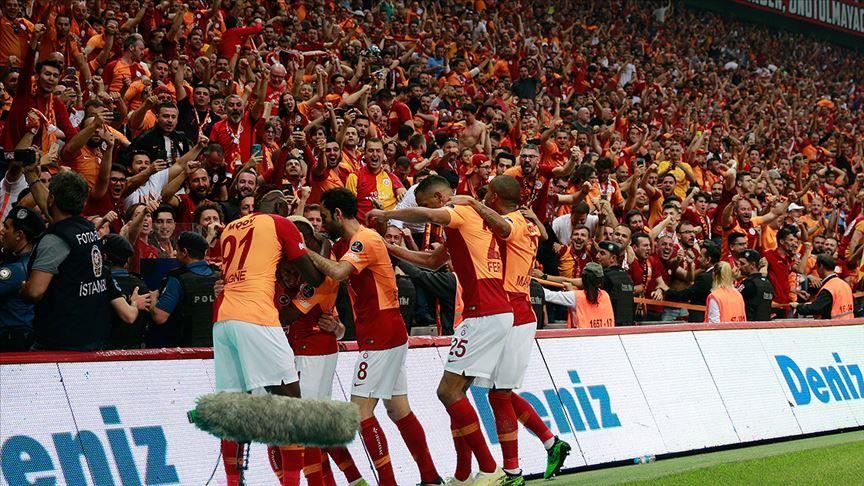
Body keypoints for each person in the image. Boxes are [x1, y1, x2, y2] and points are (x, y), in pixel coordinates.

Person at [369, 175, 514, 485]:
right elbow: (433, 261)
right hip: (491, 311)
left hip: (484, 312)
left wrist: (387, 214)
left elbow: (425, 215)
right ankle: (464, 475)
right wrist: (389, 248)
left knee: (448, 392)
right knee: (456, 394)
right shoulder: (465, 223)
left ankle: (491, 469)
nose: (427, 217)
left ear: (438, 199)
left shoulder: (458, 210)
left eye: (426, 204)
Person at [305, 188, 441, 486]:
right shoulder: (351, 241)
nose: (323, 223)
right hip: (386, 329)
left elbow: (338, 272)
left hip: (380, 332)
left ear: (338, 214)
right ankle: (431, 477)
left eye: (325, 217)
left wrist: (301, 249)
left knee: (360, 413)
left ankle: (388, 482)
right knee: (398, 409)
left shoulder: (364, 239)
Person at [447, 176, 571, 483]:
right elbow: (538, 233)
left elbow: (504, 227)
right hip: (512, 308)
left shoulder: (512, 221)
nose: (484, 198)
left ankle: (512, 471)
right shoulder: (527, 222)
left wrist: (472, 204)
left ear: (494, 196)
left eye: (487, 194)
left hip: (510, 309)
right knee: (496, 392)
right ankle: (550, 443)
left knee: (497, 394)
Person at [212, 188, 324, 486]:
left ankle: (233, 482)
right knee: (291, 403)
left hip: (223, 319)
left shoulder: (230, 227)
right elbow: (314, 277)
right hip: (257, 316)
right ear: (280, 206)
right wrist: (314, 249)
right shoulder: (279, 222)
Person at [276, 215, 367, 486]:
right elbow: (337, 327)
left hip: (309, 354)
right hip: (310, 352)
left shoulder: (316, 278)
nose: (289, 275)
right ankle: (355, 480)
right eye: (285, 271)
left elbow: (287, 316)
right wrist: (337, 327)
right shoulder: (287, 275)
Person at [21, 171, 150, 350]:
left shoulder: (56, 239)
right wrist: (134, 303)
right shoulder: (89, 231)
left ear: (52, 200)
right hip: (92, 342)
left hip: (58, 344)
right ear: (83, 202)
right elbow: (128, 315)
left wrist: (25, 289)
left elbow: (35, 292)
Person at [151, 232, 220, 346]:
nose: (175, 253)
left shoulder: (178, 278)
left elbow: (159, 317)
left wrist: (153, 298)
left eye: (177, 250)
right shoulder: (220, 275)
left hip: (188, 350)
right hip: (219, 347)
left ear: (184, 252)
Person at [0, 206, 43, 351]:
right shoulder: (33, 261)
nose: (2, 231)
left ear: (19, 235)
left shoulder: (15, 271)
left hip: (11, 341)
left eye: (7, 227)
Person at [102, 233, 150, 349]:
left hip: (103, 351)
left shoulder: (98, 284)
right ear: (127, 260)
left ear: (104, 257)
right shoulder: (141, 285)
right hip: (136, 351)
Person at [659, 241, 721, 322]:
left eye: (700, 257)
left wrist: (666, 289)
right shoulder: (720, 274)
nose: (698, 259)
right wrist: (690, 264)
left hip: (701, 319)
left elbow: (684, 295)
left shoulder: (704, 278)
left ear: (708, 259)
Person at [543, 263, 615, 329]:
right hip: (605, 336)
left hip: (583, 336)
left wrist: (536, 285)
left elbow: (548, 295)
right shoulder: (605, 295)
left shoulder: (576, 296)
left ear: (583, 279)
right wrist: (571, 291)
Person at [791, 254, 854, 320]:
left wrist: (797, 306)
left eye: (816, 266)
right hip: (849, 323)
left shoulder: (829, 287)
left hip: (834, 324)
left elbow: (815, 308)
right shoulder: (844, 284)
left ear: (821, 266)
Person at [595, 240, 635, 326]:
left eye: (602, 253)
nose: (597, 256)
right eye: (597, 252)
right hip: (628, 326)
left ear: (613, 258)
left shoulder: (605, 276)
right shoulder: (626, 276)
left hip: (610, 326)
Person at [736, 249, 774, 322]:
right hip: (765, 325)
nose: (739, 267)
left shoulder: (748, 284)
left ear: (753, 265)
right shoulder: (767, 283)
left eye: (742, 264)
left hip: (749, 325)